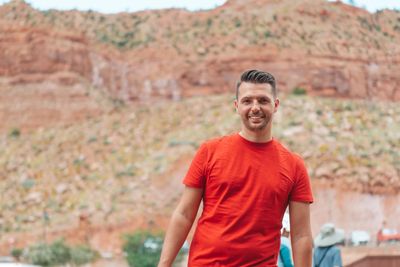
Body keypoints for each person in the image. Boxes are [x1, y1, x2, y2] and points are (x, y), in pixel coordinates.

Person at [158, 69, 314, 267]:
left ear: (275, 105)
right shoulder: (210, 151)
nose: (255, 107)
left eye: (263, 100)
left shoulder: (294, 165)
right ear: (237, 106)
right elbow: (184, 214)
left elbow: (301, 236)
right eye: (247, 101)